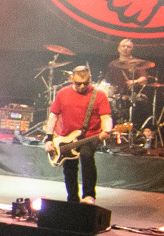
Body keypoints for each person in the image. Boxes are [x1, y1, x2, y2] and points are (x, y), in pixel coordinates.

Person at [47, 62, 114, 204]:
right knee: (69, 166)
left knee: (87, 155)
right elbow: (53, 115)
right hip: (67, 136)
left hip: (90, 136)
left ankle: (89, 196)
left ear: (90, 80)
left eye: (86, 83)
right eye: (78, 84)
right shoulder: (62, 93)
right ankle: (72, 198)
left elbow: (106, 117)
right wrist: (48, 138)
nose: (82, 87)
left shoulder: (99, 95)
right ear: (72, 80)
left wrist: (106, 130)